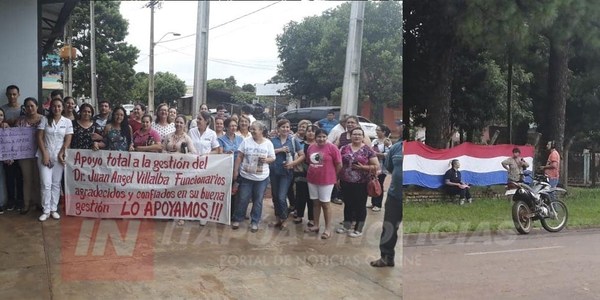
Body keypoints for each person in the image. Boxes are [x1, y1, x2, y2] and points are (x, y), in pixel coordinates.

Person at [371, 120, 404, 268]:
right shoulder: (396, 148)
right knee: (389, 227)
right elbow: (389, 168)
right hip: (394, 196)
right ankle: (386, 258)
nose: (401, 127)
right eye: (400, 125)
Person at [231, 121, 275, 232]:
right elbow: (239, 157)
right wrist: (236, 171)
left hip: (261, 178)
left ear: (261, 130)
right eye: (252, 129)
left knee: (258, 200)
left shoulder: (268, 143)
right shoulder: (246, 142)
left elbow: (273, 157)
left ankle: (255, 221)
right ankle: (237, 219)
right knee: (242, 198)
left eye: (255, 129)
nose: (252, 131)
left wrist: (267, 160)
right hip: (246, 176)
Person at [336, 127, 379, 238]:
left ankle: (358, 229)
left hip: (362, 182)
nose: (357, 136)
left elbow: (376, 166)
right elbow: (339, 164)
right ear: (350, 136)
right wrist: (337, 178)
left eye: (359, 134)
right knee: (348, 204)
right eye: (354, 134)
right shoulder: (344, 148)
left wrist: (364, 167)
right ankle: (346, 225)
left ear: (363, 136)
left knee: (360, 206)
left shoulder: (368, 150)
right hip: (346, 181)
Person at [37, 98, 73, 221]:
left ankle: (53, 209)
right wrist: (45, 154)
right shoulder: (44, 119)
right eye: (54, 106)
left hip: (59, 157)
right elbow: (39, 137)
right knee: (46, 183)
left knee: (56, 184)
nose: (56, 108)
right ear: (50, 107)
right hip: (44, 155)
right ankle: (45, 210)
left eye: (59, 106)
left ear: (62, 108)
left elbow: (68, 139)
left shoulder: (67, 122)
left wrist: (62, 152)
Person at [305, 128, 342, 239]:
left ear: (327, 137)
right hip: (312, 179)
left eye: (323, 137)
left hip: (326, 180)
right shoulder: (311, 147)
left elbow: (339, 164)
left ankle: (327, 229)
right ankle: (316, 225)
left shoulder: (332, 148)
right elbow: (308, 161)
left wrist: (332, 175)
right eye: (319, 137)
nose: (321, 139)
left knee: (325, 204)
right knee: (315, 203)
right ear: (315, 137)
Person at [269, 119, 304, 230]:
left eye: (287, 127)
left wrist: (293, 163)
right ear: (278, 129)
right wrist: (280, 150)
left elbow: (302, 155)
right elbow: (266, 152)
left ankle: (284, 218)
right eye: (283, 127)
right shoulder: (271, 141)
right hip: (273, 172)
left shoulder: (293, 141)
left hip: (287, 173)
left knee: (281, 196)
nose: (285, 129)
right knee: (275, 196)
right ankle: (277, 218)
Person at [16, 98, 43, 214]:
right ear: (24, 108)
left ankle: (39, 203)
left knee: (39, 179)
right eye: (27, 106)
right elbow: (14, 138)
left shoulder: (44, 120)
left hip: (40, 153)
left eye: (32, 106)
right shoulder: (20, 121)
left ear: (37, 106)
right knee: (27, 179)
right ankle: (26, 204)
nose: (30, 108)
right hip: (25, 155)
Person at [2, 85, 24, 212]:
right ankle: (10, 200)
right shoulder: (2, 109)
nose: (12, 97)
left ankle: (20, 200)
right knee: (9, 176)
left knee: (20, 176)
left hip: (21, 148)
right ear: (6, 95)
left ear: (18, 94)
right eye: (9, 94)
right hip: (6, 149)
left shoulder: (23, 109)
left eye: (14, 94)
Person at [293, 124, 317, 226]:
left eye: (313, 131)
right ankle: (299, 215)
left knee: (312, 197)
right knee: (300, 195)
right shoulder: (300, 144)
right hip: (300, 173)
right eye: (309, 131)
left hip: (314, 174)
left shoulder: (319, 145)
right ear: (305, 133)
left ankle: (312, 219)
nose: (311, 133)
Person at [368, 124, 392, 211]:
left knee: (379, 184)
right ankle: (373, 202)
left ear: (384, 132)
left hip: (382, 167)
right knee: (373, 183)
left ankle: (378, 204)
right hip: (374, 166)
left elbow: (388, 154)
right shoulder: (374, 141)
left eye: (378, 130)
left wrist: (376, 154)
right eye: (376, 130)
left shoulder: (387, 141)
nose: (376, 131)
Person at [0, 108, 7, 213]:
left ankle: (0, 204)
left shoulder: (6, 128)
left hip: (1, 159)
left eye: (1, 115)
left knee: (1, 181)